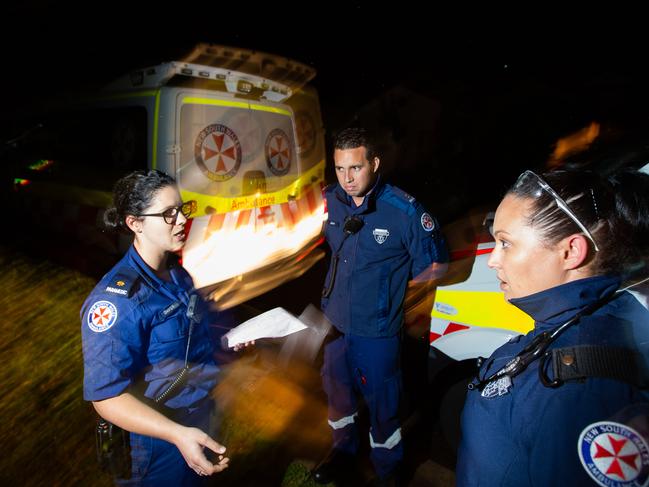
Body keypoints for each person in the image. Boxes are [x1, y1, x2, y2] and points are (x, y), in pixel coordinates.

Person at [456, 168, 649, 486]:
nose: (492, 260)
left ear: (571, 251)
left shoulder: (583, 393)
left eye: (505, 243)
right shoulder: (579, 320)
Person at [313, 127, 449, 486]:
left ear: (374, 163)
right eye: (340, 169)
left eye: (355, 168)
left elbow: (435, 264)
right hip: (336, 324)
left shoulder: (402, 211)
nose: (347, 178)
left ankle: (388, 472)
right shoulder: (331, 200)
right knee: (337, 395)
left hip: (377, 331)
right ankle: (342, 454)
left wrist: (406, 303)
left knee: (383, 408)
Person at [81, 170, 229, 486]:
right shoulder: (118, 303)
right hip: (155, 442)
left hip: (196, 417)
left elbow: (189, 338)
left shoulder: (177, 273)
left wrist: (230, 343)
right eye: (167, 214)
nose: (181, 220)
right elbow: (106, 397)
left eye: (181, 209)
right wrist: (175, 434)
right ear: (135, 223)